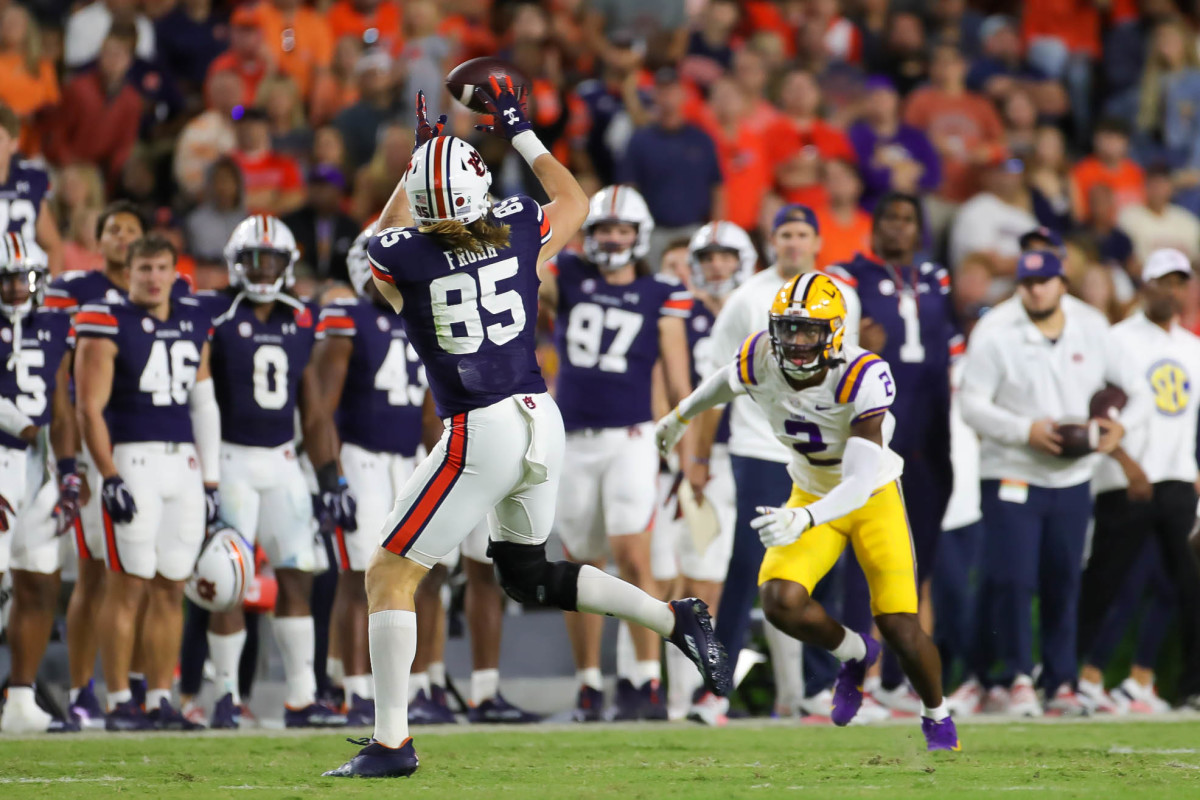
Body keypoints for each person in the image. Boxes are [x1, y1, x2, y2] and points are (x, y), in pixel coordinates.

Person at [324, 85, 729, 778]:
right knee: (529, 574)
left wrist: (416, 168)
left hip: (479, 426)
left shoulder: (406, 256)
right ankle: (676, 619)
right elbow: (574, 202)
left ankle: (392, 743)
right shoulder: (513, 226)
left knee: (389, 573)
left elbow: (374, 251)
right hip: (542, 420)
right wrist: (518, 130)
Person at [655, 271, 960, 752]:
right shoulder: (760, 354)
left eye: (810, 331)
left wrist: (804, 517)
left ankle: (936, 714)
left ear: (834, 331)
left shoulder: (862, 375)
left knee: (901, 624)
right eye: (789, 329)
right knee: (779, 601)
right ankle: (854, 653)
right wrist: (680, 416)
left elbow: (858, 483)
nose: (797, 342)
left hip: (871, 496)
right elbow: (725, 382)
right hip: (811, 490)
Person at [689, 204, 860, 726]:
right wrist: (697, 453)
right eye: (784, 233)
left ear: (816, 240)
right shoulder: (747, 298)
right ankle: (717, 688)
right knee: (746, 564)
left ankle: (816, 688)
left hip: (823, 453)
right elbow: (713, 380)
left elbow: (850, 376)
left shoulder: (842, 295)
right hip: (760, 445)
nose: (792, 242)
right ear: (772, 240)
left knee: (826, 562)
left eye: (802, 233)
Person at [960, 249, 1146, 715]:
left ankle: (1060, 680)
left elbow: (1135, 388)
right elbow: (971, 404)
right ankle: (1018, 675)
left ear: (1063, 283)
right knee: (1013, 579)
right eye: (1028, 281)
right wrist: (1026, 430)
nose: (1036, 289)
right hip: (1012, 470)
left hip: (1072, 476)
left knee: (1064, 580)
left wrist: (1118, 427)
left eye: (1044, 280)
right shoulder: (996, 329)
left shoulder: (1090, 325)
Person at [540, 182, 693, 722]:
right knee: (581, 566)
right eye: (602, 228)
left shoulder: (661, 293)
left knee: (634, 558)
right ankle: (588, 684)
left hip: (631, 438)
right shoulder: (569, 276)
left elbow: (680, 382)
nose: (611, 238)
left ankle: (645, 681)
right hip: (574, 441)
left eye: (621, 229)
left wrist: (688, 455)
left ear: (639, 235)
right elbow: (526, 265)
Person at [185, 214, 342, 729]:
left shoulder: (302, 317)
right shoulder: (217, 313)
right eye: (252, 258)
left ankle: (301, 696)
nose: (261, 268)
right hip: (230, 459)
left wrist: (329, 476)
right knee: (229, 582)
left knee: (299, 576)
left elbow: (315, 411)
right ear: (235, 263)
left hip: (282, 462)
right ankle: (226, 697)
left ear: (288, 264)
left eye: (270, 259)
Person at [44, 201, 190, 728]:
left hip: (146, 444)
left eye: (133, 230)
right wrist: (73, 451)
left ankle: (146, 689)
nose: (125, 237)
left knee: (149, 576)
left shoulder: (163, 295)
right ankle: (87, 687)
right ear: (101, 239)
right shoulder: (78, 292)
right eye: (115, 230)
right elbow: (62, 374)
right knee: (94, 569)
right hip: (92, 439)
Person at [74, 235, 219, 730]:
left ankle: (158, 696)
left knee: (170, 587)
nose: (152, 277)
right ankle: (117, 700)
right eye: (144, 269)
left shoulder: (193, 318)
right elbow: (87, 407)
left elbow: (204, 402)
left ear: (173, 272)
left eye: (161, 268)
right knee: (127, 584)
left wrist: (213, 478)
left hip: (183, 466)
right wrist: (107, 473)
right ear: (128, 271)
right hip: (132, 460)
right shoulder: (107, 318)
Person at [839, 192, 960, 710]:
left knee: (919, 566)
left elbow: (951, 350)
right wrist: (855, 344)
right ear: (875, 225)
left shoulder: (936, 278)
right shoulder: (851, 276)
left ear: (919, 229)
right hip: (876, 433)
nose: (898, 227)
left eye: (907, 219)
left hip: (931, 437)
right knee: (864, 563)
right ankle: (858, 680)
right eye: (889, 217)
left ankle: (904, 682)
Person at [1077, 248, 1200, 713]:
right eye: (1161, 281)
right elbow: (1096, 409)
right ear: (1144, 286)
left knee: (1184, 586)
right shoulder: (1117, 339)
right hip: (1124, 480)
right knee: (1109, 583)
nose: (1170, 290)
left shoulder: (1193, 347)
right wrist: (1127, 463)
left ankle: (1185, 686)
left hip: (1176, 480)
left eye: (1178, 281)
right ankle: (1076, 678)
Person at [651, 221, 756, 719]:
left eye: (725, 256)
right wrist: (684, 455)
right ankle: (686, 694)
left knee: (735, 575)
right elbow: (668, 387)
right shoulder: (681, 310)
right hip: (701, 456)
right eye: (709, 256)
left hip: (752, 448)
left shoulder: (757, 307)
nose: (717, 265)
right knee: (694, 576)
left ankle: (712, 690)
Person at [0, 234, 79, 733]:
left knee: (38, 581)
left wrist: (69, 472)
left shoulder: (55, 324)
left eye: (21, 278)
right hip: (4, 454)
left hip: (39, 465)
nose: (13, 289)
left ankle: (21, 701)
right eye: (4, 279)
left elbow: (62, 402)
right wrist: (19, 425)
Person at [0, 104, 61, 275]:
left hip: (21, 285)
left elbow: (52, 246)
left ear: (13, 144)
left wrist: (48, 293)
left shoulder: (29, 181)